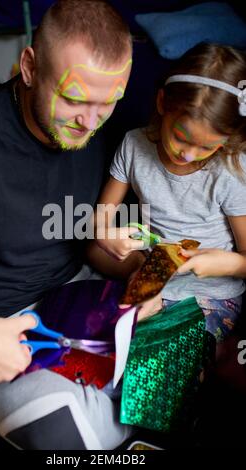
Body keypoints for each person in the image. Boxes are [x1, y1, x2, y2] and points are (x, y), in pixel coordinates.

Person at [0, 0, 138, 450]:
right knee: (73, 438)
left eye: (108, 103)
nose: (89, 122)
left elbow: (84, 238)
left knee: (183, 364)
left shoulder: (106, 130)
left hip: (76, 295)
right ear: (30, 67)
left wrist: (141, 276)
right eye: (74, 99)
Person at [88, 43, 246, 341]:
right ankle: (143, 280)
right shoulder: (134, 145)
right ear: (162, 103)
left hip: (208, 294)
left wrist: (227, 263)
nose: (188, 154)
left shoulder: (230, 171)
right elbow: (99, 219)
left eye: (207, 147)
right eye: (180, 137)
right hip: (152, 270)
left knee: (164, 357)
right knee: (92, 249)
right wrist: (105, 234)